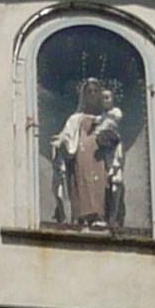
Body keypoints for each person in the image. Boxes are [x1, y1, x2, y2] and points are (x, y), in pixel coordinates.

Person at [51, 75, 124, 229]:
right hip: (81, 155)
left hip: (100, 156)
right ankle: (81, 217)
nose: (92, 94)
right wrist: (62, 142)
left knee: (101, 182)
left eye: (95, 91)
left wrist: (110, 138)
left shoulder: (106, 118)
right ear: (83, 96)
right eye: (89, 91)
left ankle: (100, 215)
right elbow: (67, 137)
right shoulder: (75, 119)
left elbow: (115, 138)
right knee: (81, 181)